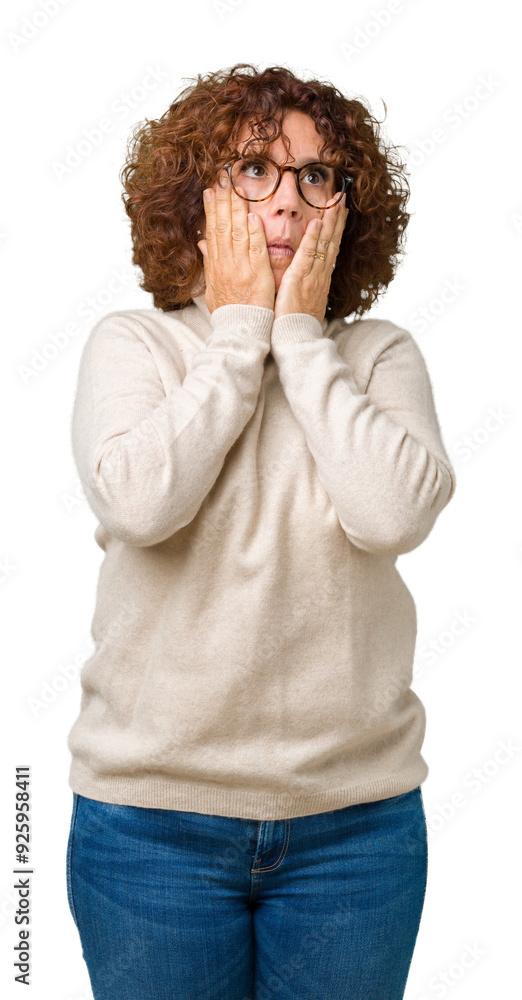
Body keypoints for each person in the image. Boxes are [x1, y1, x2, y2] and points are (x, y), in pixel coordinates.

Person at [65, 63, 457, 1000]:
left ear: (341, 208)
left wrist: (302, 341)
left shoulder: (377, 355)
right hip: (149, 827)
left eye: (315, 177)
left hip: (355, 832)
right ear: (197, 199)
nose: (286, 202)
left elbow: (394, 514)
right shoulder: (136, 346)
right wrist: (241, 334)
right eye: (254, 171)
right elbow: (139, 504)